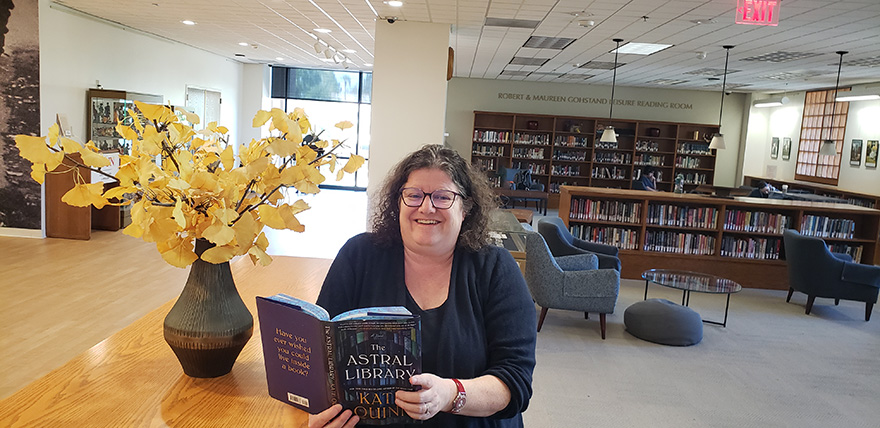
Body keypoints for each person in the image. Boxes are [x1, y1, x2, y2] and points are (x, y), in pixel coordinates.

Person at [310, 145, 537, 428]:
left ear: (465, 209)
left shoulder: (496, 268)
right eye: (414, 195)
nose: (426, 207)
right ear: (398, 202)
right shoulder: (358, 255)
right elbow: (319, 355)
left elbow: (515, 382)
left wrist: (450, 394)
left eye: (443, 197)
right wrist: (317, 413)